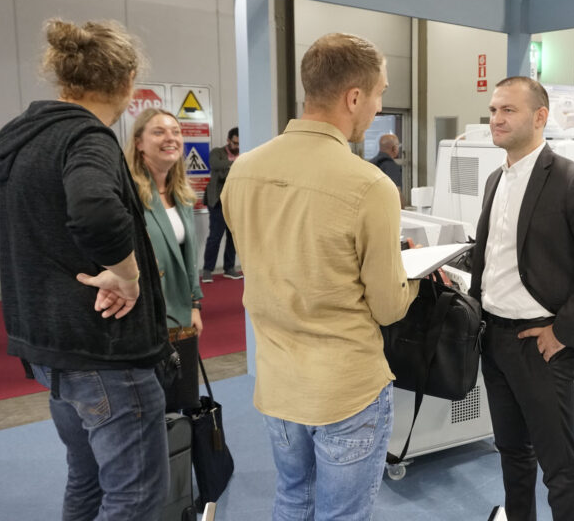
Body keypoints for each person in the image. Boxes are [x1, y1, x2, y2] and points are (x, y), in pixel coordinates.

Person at [221, 32, 418, 520]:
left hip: (278, 379)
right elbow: (388, 308)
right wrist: (413, 279)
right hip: (345, 388)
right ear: (353, 97)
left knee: (293, 496)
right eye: (379, 94)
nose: (378, 107)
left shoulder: (243, 171)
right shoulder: (369, 185)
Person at [0, 19, 170, 520]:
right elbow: (95, 211)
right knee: (135, 496)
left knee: (87, 479)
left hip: (49, 347)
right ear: (128, 80)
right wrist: (128, 275)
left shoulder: (17, 138)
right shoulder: (87, 137)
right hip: (102, 350)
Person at [469, 76, 574, 521]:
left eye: (508, 110)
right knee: (511, 452)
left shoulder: (569, 180)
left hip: (539, 346)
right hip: (494, 339)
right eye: (493, 110)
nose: (496, 119)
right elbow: (498, 253)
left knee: (559, 467)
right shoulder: (495, 179)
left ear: (540, 117)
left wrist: (562, 331)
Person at [127, 108, 204, 412]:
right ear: (139, 143)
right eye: (158, 132)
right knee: (151, 407)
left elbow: (189, 259)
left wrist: (195, 305)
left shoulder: (180, 194)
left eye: (176, 131)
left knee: (181, 402)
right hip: (145, 317)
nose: (170, 138)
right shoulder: (128, 193)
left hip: (180, 316)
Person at [201, 126, 242, 282]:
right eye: (234, 143)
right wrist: (235, 163)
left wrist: (229, 167)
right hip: (217, 201)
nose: (237, 146)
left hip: (234, 201)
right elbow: (215, 165)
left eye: (239, 144)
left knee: (233, 236)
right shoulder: (217, 152)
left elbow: (226, 172)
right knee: (215, 236)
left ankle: (229, 268)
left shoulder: (243, 154)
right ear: (228, 140)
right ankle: (207, 270)